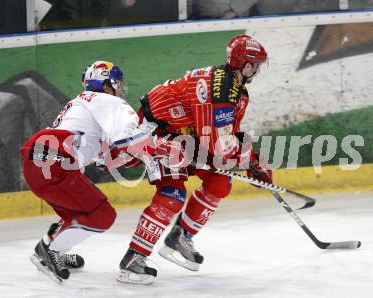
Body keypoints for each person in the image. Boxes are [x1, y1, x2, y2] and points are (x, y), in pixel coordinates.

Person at [117, 35, 273, 285]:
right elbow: (218, 145)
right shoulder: (219, 89)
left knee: (220, 182)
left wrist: (254, 161)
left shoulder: (237, 92)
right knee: (172, 194)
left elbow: (225, 136)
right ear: (244, 64)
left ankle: (180, 236)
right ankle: (133, 258)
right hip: (158, 131)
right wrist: (245, 159)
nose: (257, 69)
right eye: (255, 64)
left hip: (188, 135)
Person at [20, 61, 185, 284]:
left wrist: (143, 154)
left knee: (75, 214)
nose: (120, 89)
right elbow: (129, 139)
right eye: (117, 84)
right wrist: (163, 148)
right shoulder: (107, 101)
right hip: (54, 164)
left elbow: (107, 157)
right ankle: (48, 250)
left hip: (38, 164)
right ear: (107, 85)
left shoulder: (83, 103)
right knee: (102, 215)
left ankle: (54, 247)